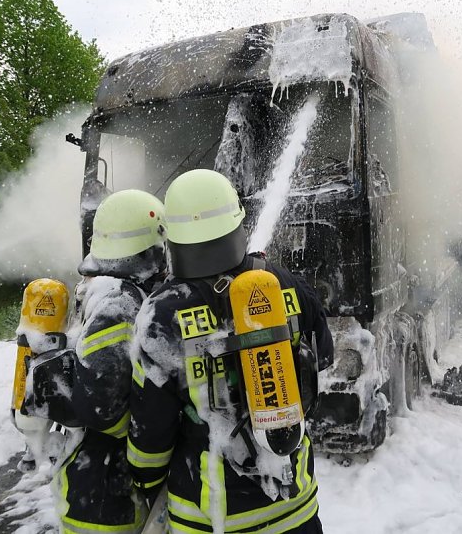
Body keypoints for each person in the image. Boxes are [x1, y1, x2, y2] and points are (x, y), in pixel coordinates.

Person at [127, 169, 334, 533]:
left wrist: (144, 479)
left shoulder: (161, 313)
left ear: (171, 238)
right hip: (296, 507)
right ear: (238, 220)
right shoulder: (285, 284)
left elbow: (151, 429)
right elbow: (323, 359)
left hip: (214, 519)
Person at [21, 189, 167, 533]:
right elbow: (104, 409)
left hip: (98, 487)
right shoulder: (120, 304)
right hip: (106, 498)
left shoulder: (107, 290)